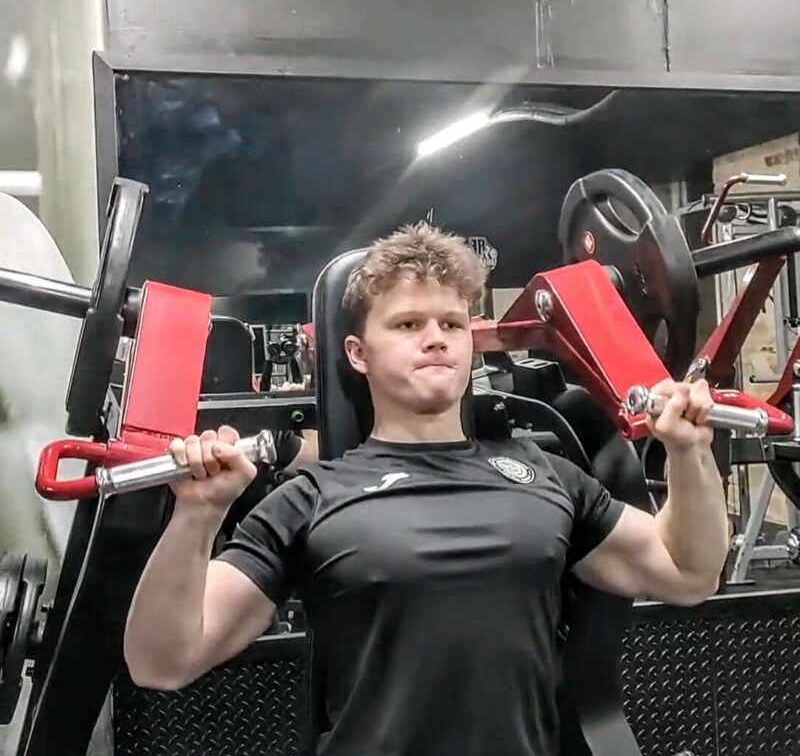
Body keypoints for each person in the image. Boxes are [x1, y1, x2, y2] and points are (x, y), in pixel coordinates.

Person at [124, 223, 729, 756]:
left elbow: (687, 571)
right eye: (408, 324)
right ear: (358, 354)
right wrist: (198, 515)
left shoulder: (546, 477)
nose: (436, 338)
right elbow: (162, 661)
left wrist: (687, 451)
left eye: (452, 324)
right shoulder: (312, 497)